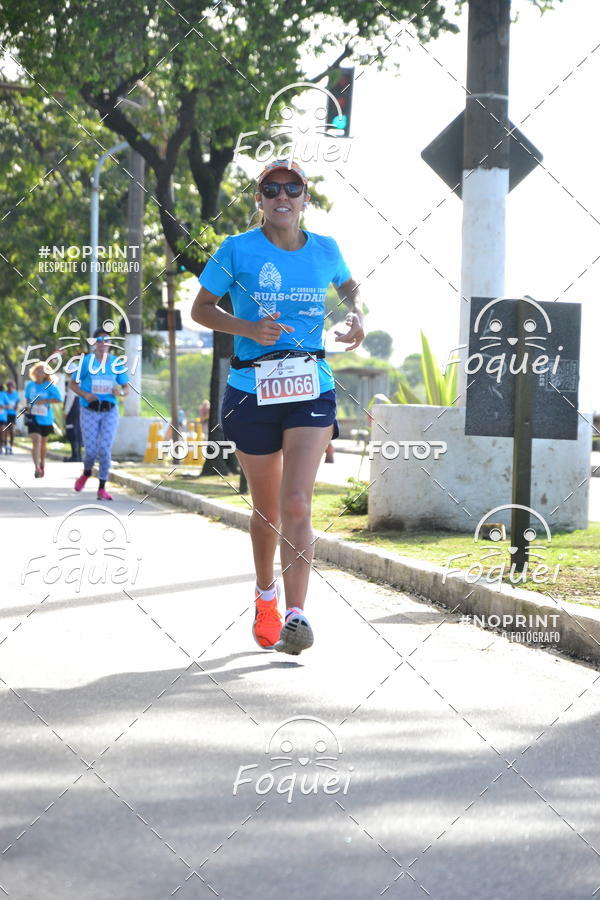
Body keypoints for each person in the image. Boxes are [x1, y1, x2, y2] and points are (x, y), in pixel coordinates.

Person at [191, 159, 364, 655]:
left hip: (311, 383)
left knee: (296, 503)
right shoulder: (237, 248)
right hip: (251, 388)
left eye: (292, 188)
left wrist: (356, 314)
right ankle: (265, 594)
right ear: (260, 200)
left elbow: (349, 285)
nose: (282, 197)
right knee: (266, 510)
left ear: (305, 198)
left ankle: (297, 614)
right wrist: (248, 329)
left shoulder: (326, 249)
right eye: (271, 189)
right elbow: (200, 309)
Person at [67, 327, 129, 501]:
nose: (103, 343)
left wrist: (121, 392)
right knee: (91, 451)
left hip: (109, 411)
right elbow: (72, 384)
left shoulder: (116, 362)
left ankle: (102, 487)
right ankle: (86, 472)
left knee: (105, 449)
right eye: (99, 340)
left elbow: (126, 388)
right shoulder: (86, 362)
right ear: (94, 343)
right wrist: (86, 394)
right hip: (89, 410)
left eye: (106, 340)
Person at [24, 363, 63, 477]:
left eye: (41, 371)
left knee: (43, 444)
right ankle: (36, 468)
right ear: (33, 372)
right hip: (32, 417)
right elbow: (27, 398)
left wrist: (45, 401)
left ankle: (42, 464)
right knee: (36, 440)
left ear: (46, 373)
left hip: (46, 418)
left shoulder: (49, 385)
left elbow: (58, 399)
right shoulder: (30, 385)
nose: (38, 373)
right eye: (36, 370)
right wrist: (27, 406)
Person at [63, 384, 83, 462]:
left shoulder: (74, 382)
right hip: (79, 409)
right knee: (78, 431)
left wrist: (65, 412)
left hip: (73, 410)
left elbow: (70, 398)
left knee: (72, 431)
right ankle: (78, 455)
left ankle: (75, 455)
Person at [4, 381, 20, 454]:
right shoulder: (4, 394)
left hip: (12, 415)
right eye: (9, 386)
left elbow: (17, 403)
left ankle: (10, 447)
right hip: (4, 415)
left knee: (12, 431)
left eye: (12, 386)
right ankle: (5, 446)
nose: (11, 388)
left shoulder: (16, 394)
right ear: (7, 387)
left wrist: (16, 407)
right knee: (4, 431)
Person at [0, 384, 8, 454]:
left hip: (2, 417)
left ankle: (2, 447)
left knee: (2, 431)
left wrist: (3, 406)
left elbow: (8, 405)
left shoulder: (3, 394)